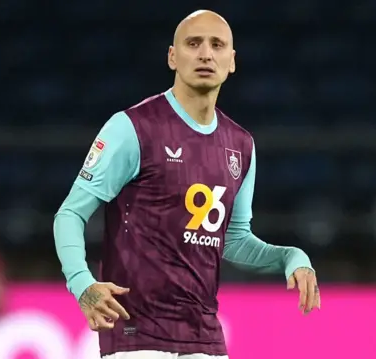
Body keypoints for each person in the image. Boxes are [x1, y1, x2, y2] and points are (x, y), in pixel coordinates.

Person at [53, 9, 320, 359]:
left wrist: (291, 257)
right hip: (138, 336)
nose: (206, 53)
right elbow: (70, 214)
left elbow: (233, 240)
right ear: (172, 57)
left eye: (217, 45)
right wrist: (82, 283)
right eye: (194, 44)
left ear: (232, 60)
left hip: (205, 339)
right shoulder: (132, 128)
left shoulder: (240, 145)